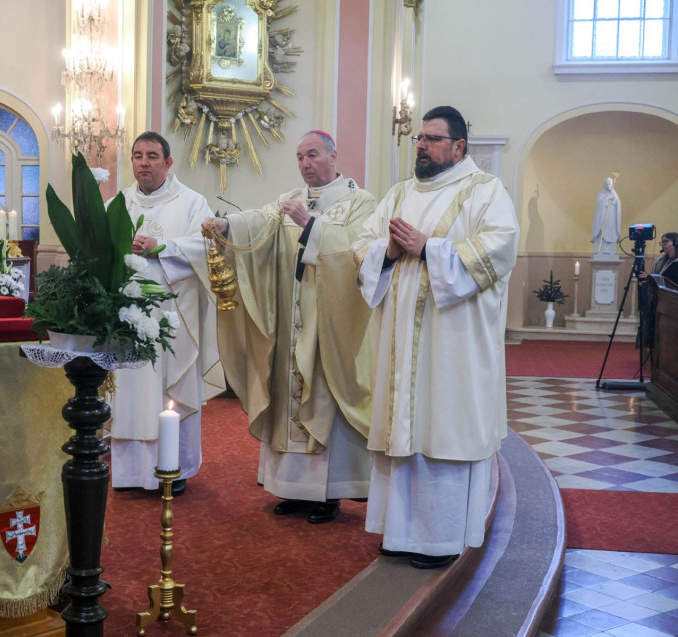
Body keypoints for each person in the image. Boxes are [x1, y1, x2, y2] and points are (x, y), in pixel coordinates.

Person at [352, 106, 519, 568]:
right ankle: (399, 532)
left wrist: (429, 248)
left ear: (459, 147)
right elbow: (361, 245)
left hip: (453, 344)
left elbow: (499, 248)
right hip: (399, 344)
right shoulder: (400, 193)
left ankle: (439, 539)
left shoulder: (485, 191)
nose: (421, 146)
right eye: (419, 138)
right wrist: (386, 252)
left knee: (443, 428)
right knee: (402, 432)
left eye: (432, 138)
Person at [200, 130, 376, 524]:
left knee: (323, 395)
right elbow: (260, 222)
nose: (305, 164)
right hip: (290, 322)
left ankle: (328, 494)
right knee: (287, 395)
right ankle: (293, 489)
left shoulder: (360, 202)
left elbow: (357, 249)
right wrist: (226, 225)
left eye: (312, 155)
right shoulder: (291, 199)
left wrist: (311, 226)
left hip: (330, 328)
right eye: (299, 157)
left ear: (333, 155)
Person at [108, 132, 225, 496]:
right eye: (137, 155)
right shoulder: (117, 204)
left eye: (152, 156)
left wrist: (162, 247)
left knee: (168, 389)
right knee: (129, 390)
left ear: (168, 162)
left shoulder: (192, 202)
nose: (144, 162)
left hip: (172, 318)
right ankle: (129, 472)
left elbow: (208, 248)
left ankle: (175, 466)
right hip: (127, 318)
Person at [591, 176, 621, 259]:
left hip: (611, 218)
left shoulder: (614, 193)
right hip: (602, 218)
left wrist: (614, 197)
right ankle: (600, 251)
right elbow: (599, 205)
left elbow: (617, 203)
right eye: (607, 184)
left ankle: (610, 251)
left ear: (612, 184)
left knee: (610, 233)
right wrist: (607, 198)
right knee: (602, 233)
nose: (608, 186)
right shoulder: (600, 193)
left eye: (610, 184)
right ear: (604, 185)